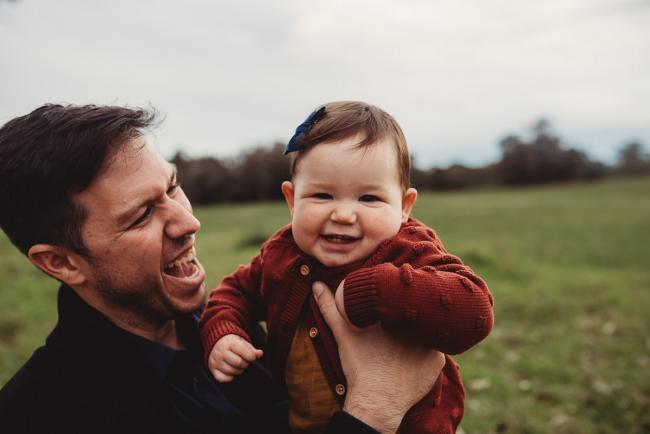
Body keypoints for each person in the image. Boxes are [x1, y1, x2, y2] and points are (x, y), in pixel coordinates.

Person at [0, 104, 445, 434]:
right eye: (140, 216)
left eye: (173, 188)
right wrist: (375, 411)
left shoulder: (231, 329)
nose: (189, 222)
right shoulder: (41, 415)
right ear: (61, 262)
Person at [200, 101, 495, 434]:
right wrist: (223, 332)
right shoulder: (281, 254)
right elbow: (234, 292)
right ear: (292, 200)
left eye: (368, 198)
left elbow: (475, 310)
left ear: (404, 206)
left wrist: (374, 290)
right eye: (323, 195)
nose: (343, 214)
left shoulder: (406, 250)